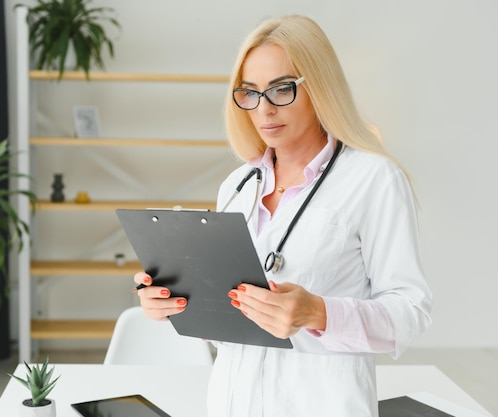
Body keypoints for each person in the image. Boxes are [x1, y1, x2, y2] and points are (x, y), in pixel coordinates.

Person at [133, 14, 432, 416]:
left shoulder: (374, 179)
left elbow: (410, 312)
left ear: (320, 86)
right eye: (251, 93)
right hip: (230, 404)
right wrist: (174, 302)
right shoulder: (238, 186)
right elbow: (227, 334)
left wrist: (319, 313)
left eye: (282, 89)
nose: (264, 109)